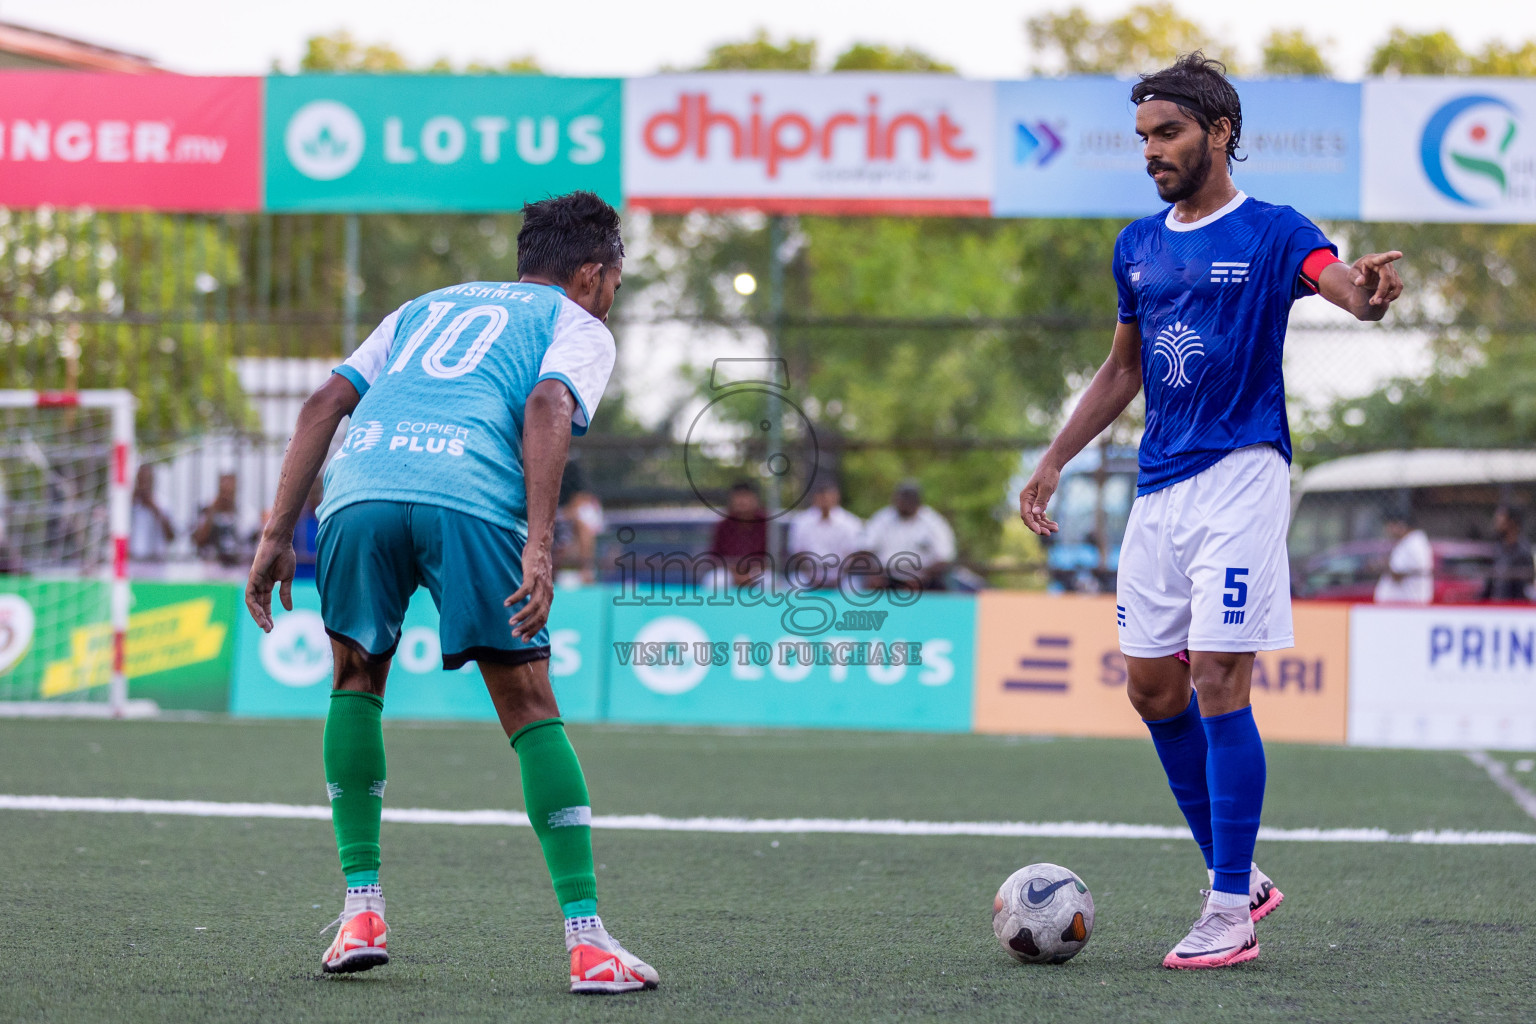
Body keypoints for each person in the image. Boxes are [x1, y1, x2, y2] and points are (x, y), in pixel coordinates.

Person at [1017, 53, 1404, 970]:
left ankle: (1230, 908)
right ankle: (1244, 872)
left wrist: (1367, 296)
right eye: (1144, 136)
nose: (1152, 151)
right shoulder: (1137, 246)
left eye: (1170, 133)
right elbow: (1122, 368)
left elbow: (1338, 280)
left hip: (1242, 474)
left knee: (1222, 677)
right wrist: (1054, 459)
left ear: (1219, 132)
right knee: (1154, 691)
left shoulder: (1273, 231)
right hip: (1160, 490)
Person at [244, 191, 657, 994]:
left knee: (355, 681)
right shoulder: (576, 324)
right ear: (590, 273)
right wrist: (540, 544)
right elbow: (546, 402)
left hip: (358, 491)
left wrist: (274, 538)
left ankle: (360, 912)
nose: (613, 295)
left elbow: (327, 400)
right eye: (615, 280)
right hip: (464, 495)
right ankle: (587, 942)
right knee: (529, 703)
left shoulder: (422, 308)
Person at [861, 480, 955, 591]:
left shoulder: (933, 522)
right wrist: (873, 574)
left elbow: (945, 557)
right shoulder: (882, 518)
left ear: (918, 501)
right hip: (887, 578)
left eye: (909, 499)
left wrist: (920, 579)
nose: (905, 503)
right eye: (902, 498)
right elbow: (865, 549)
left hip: (925, 578)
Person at [785, 479, 863, 588]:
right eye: (822, 496)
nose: (825, 500)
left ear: (836, 497)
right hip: (809, 575)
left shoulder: (851, 523)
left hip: (841, 577)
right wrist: (811, 575)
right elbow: (797, 553)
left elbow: (852, 556)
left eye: (829, 496)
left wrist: (838, 577)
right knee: (793, 586)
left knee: (852, 590)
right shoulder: (801, 521)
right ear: (814, 498)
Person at [708, 481, 769, 587]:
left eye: (746, 496)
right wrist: (735, 574)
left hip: (758, 572)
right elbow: (715, 558)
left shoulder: (767, 525)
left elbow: (775, 558)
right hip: (730, 573)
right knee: (716, 580)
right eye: (738, 496)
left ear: (756, 499)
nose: (742, 501)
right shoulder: (723, 525)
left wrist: (751, 575)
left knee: (769, 581)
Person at [553, 462, 604, 586]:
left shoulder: (572, 469)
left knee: (582, 520)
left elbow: (581, 499)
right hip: (556, 515)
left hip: (567, 515)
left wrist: (566, 515)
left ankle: (587, 571)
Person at [1374, 513, 1433, 605]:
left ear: (1401, 525)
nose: (1388, 530)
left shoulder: (1411, 544)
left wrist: (1382, 565)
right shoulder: (1412, 542)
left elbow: (1397, 574)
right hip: (1405, 604)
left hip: (1406, 604)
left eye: (1390, 526)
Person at [193, 472, 244, 568]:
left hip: (236, 569)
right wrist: (212, 511)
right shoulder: (207, 510)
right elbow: (198, 540)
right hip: (210, 567)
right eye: (223, 490)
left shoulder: (245, 513)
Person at [1484, 507, 1534, 602]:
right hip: (1496, 605)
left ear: (1511, 522)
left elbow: (1525, 585)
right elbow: (1489, 582)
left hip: (1513, 607)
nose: (1497, 524)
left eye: (1500, 520)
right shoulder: (1497, 548)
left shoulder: (1523, 551)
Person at [129, 463, 175, 564]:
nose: (144, 484)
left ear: (153, 480)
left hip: (156, 561)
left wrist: (155, 509)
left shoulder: (163, 502)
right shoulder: (127, 504)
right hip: (132, 560)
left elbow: (171, 536)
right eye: (141, 479)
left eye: (147, 479)